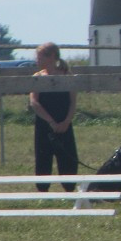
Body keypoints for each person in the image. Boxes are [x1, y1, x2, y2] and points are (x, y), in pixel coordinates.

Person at [29, 42, 78, 192]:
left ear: (51, 57)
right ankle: (43, 191)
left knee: (67, 157)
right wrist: (50, 122)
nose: (37, 61)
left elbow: (73, 102)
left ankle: (69, 189)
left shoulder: (67, 76)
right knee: (43, 157)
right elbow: (34, 102)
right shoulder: (37, 77)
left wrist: (66, 121)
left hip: (64, 122)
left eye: (39, 57)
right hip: (44, 124)